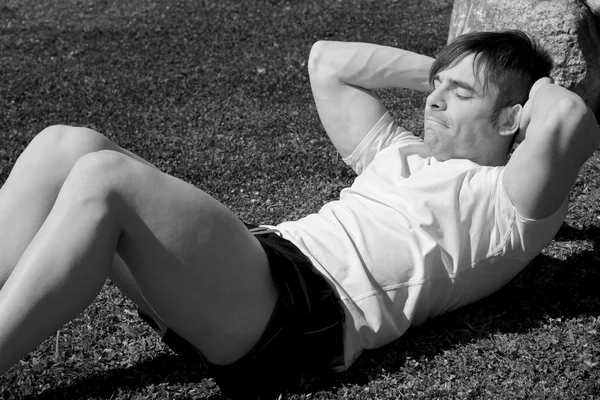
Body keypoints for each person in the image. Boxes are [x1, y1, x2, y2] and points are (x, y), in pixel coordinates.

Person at [0, 29, 598, 398]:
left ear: (511, 120)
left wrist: (531, 83)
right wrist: (452, 71)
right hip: (253, 271)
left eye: (459, 96)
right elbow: (326, 62)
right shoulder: (400, 154)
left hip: (300, 315)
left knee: (106, 179)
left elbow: (569, 120)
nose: (434, 101)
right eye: (435, 90)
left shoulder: (507, 204)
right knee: (65, 144)